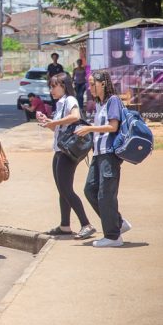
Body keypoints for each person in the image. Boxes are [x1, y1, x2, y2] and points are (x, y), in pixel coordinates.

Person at [75, 70, 132, 247]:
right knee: (90, 190)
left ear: (103, 84)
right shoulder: (100, 103)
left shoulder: (113, 100)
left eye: (93, 84)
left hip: (109, 154)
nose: (90, 88)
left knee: (105, 194)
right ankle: (118, 223)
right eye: (89, 84)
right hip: (98, 154)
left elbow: (113, 127)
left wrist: (90, 129)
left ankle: (113, 236)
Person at [37, 73, 96, 239]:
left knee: (66, 189)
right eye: (50, 86)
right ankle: (64, 225)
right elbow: (57, 129)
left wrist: (53, 122)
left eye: (54, 86)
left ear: (64, 85)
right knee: (62, 190)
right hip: (59, 150)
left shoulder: (70, 100)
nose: (51, 90)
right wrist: (47, 121)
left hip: (67, 152)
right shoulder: (60, 103)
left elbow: (76, 117)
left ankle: (86, 224)